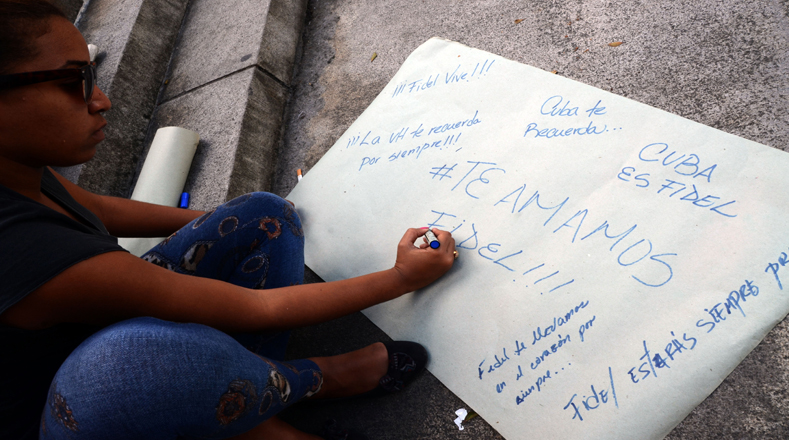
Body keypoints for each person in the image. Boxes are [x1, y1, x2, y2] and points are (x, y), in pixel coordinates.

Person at [0, 1, 457, 439]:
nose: (101, 100)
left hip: (97, 335)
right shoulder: (20, 252)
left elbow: (100, 209)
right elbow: (256, 310)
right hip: (72, 409)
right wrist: (400, 278)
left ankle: (239, 406)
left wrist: (225, 222)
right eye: (74, 81)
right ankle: (310, 383)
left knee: (265, 214)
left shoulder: (18, 170)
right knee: (130, 364)